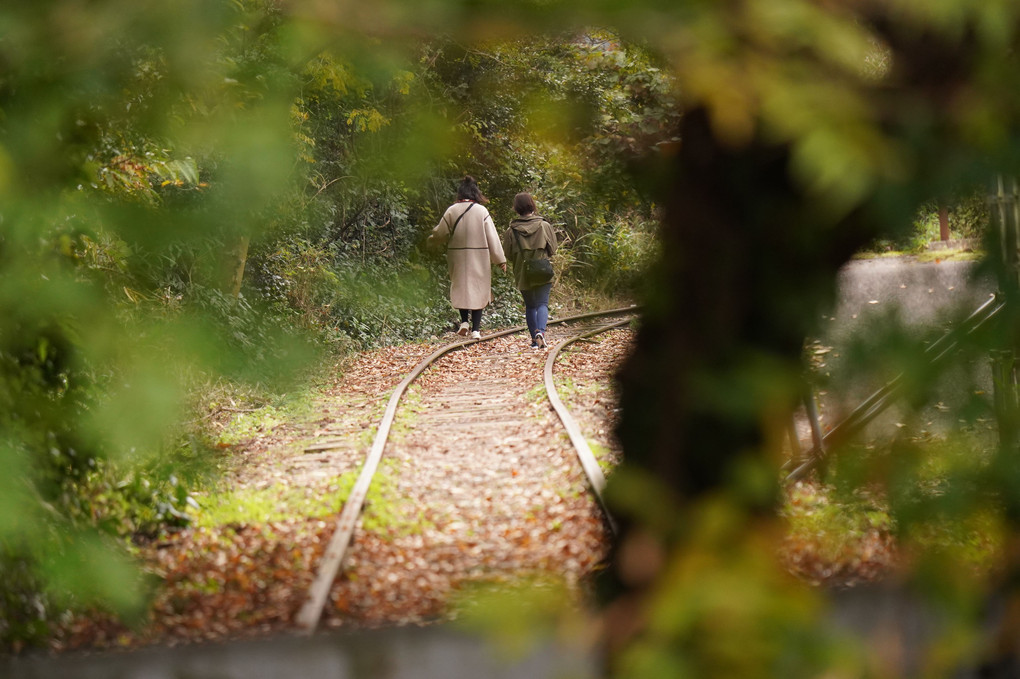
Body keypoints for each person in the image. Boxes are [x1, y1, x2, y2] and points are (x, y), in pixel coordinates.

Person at [428, 176, 507, 339]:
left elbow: (440, 232)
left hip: (456, 254)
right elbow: (492, 236)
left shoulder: (452, 210)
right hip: (479, 255)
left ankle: (464, 322)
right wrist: (500, 259)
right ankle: (476, 330)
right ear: (476, 193)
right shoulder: (481, 211)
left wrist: (430, 241)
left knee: (461, 286)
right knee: (479, 287)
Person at [504, 192, 557, 349]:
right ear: (532, 205)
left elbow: (508, 254)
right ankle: (541, 331)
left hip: (523, 272)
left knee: (530, 306)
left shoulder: (511, 231)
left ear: (516, 209)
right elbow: (553, 249)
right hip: (542, 270)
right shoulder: (544, 226)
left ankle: (534, 340)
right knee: (542, 303)